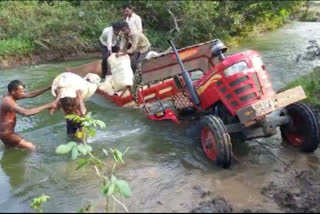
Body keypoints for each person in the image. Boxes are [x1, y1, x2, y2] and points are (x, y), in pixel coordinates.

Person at [0, 80, 56, 151]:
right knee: (35, 149)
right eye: (21, 92)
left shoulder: (11, 96)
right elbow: (26, 112)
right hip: (7, 134)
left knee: (9, 152)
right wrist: (48, 105)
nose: (23, 94)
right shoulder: (8, 101)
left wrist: (48, 88)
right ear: (13, 92)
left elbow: (30, 94)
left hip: (5, 134)